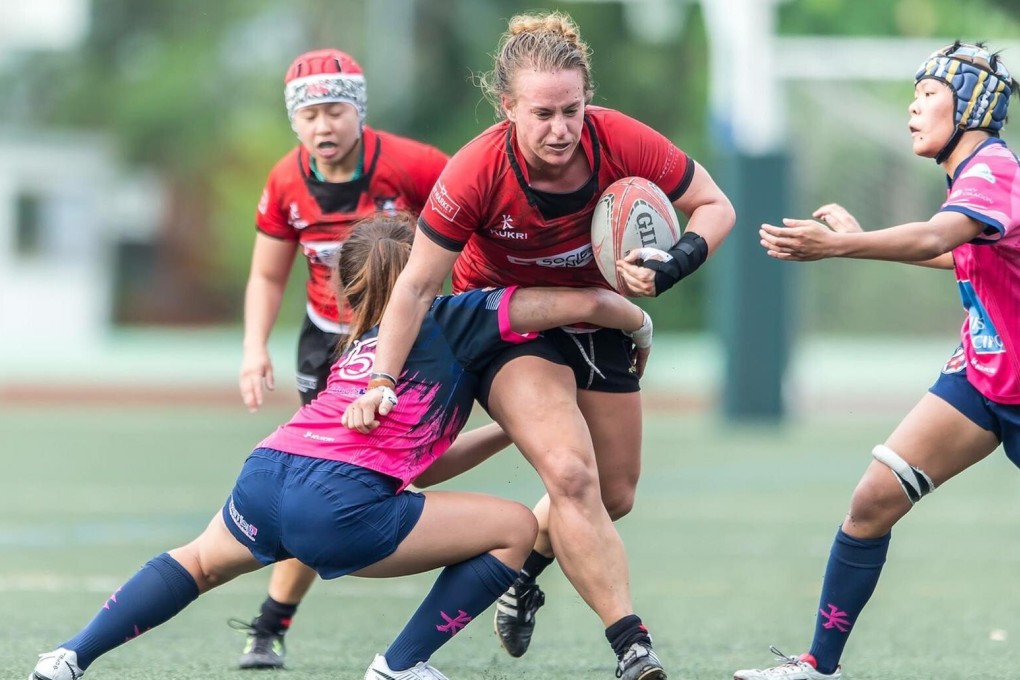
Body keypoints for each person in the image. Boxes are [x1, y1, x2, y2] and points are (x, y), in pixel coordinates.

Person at [28, 213, 655, 680]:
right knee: (516, 526)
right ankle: (402, 666)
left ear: (350, 292)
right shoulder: (456, 312)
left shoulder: (358, 352)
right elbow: (590, 303)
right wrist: (639, 323)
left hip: (269, 471)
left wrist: (507, 433)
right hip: (337, 503)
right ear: (427, 267)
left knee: (194, 563)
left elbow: (421, 468)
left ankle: (69, 657)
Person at [341, 11, 735, 679]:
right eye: (543, 113)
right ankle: (632, 647)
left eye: (572, 111)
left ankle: (522, 570)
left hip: (595, 317)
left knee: (613, 496)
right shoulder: (476, 171)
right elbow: (414, 288)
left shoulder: (619, 141)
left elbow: (715, 204)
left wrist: (675, 261)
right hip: (507, 326)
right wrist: (382, 380)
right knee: (571, 475)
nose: (559, 129)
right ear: (508, 108)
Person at [733, 42, 1018, 680]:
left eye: (928, 97)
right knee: (872, 501)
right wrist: (851, 241)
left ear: (970, 106)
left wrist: (840, 247)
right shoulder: (970, 178)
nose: (912, 110)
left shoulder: (994, 169)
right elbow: (955, 252)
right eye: (914, 97)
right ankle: (818, 667)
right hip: (982, 373)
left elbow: (936, 236)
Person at [235, 47, 448, 668]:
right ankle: (270, 624)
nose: (322, 125)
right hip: (328, 337)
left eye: (334, 110)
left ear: (358, 109)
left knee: (407, 460)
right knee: (321, 477)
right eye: (308, 115)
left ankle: (512, 562)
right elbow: (267, 276)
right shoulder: (284, 181)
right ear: (294, 123)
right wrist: (254, 348)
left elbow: (471, 227)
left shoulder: (415, 166)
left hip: (412, 334)